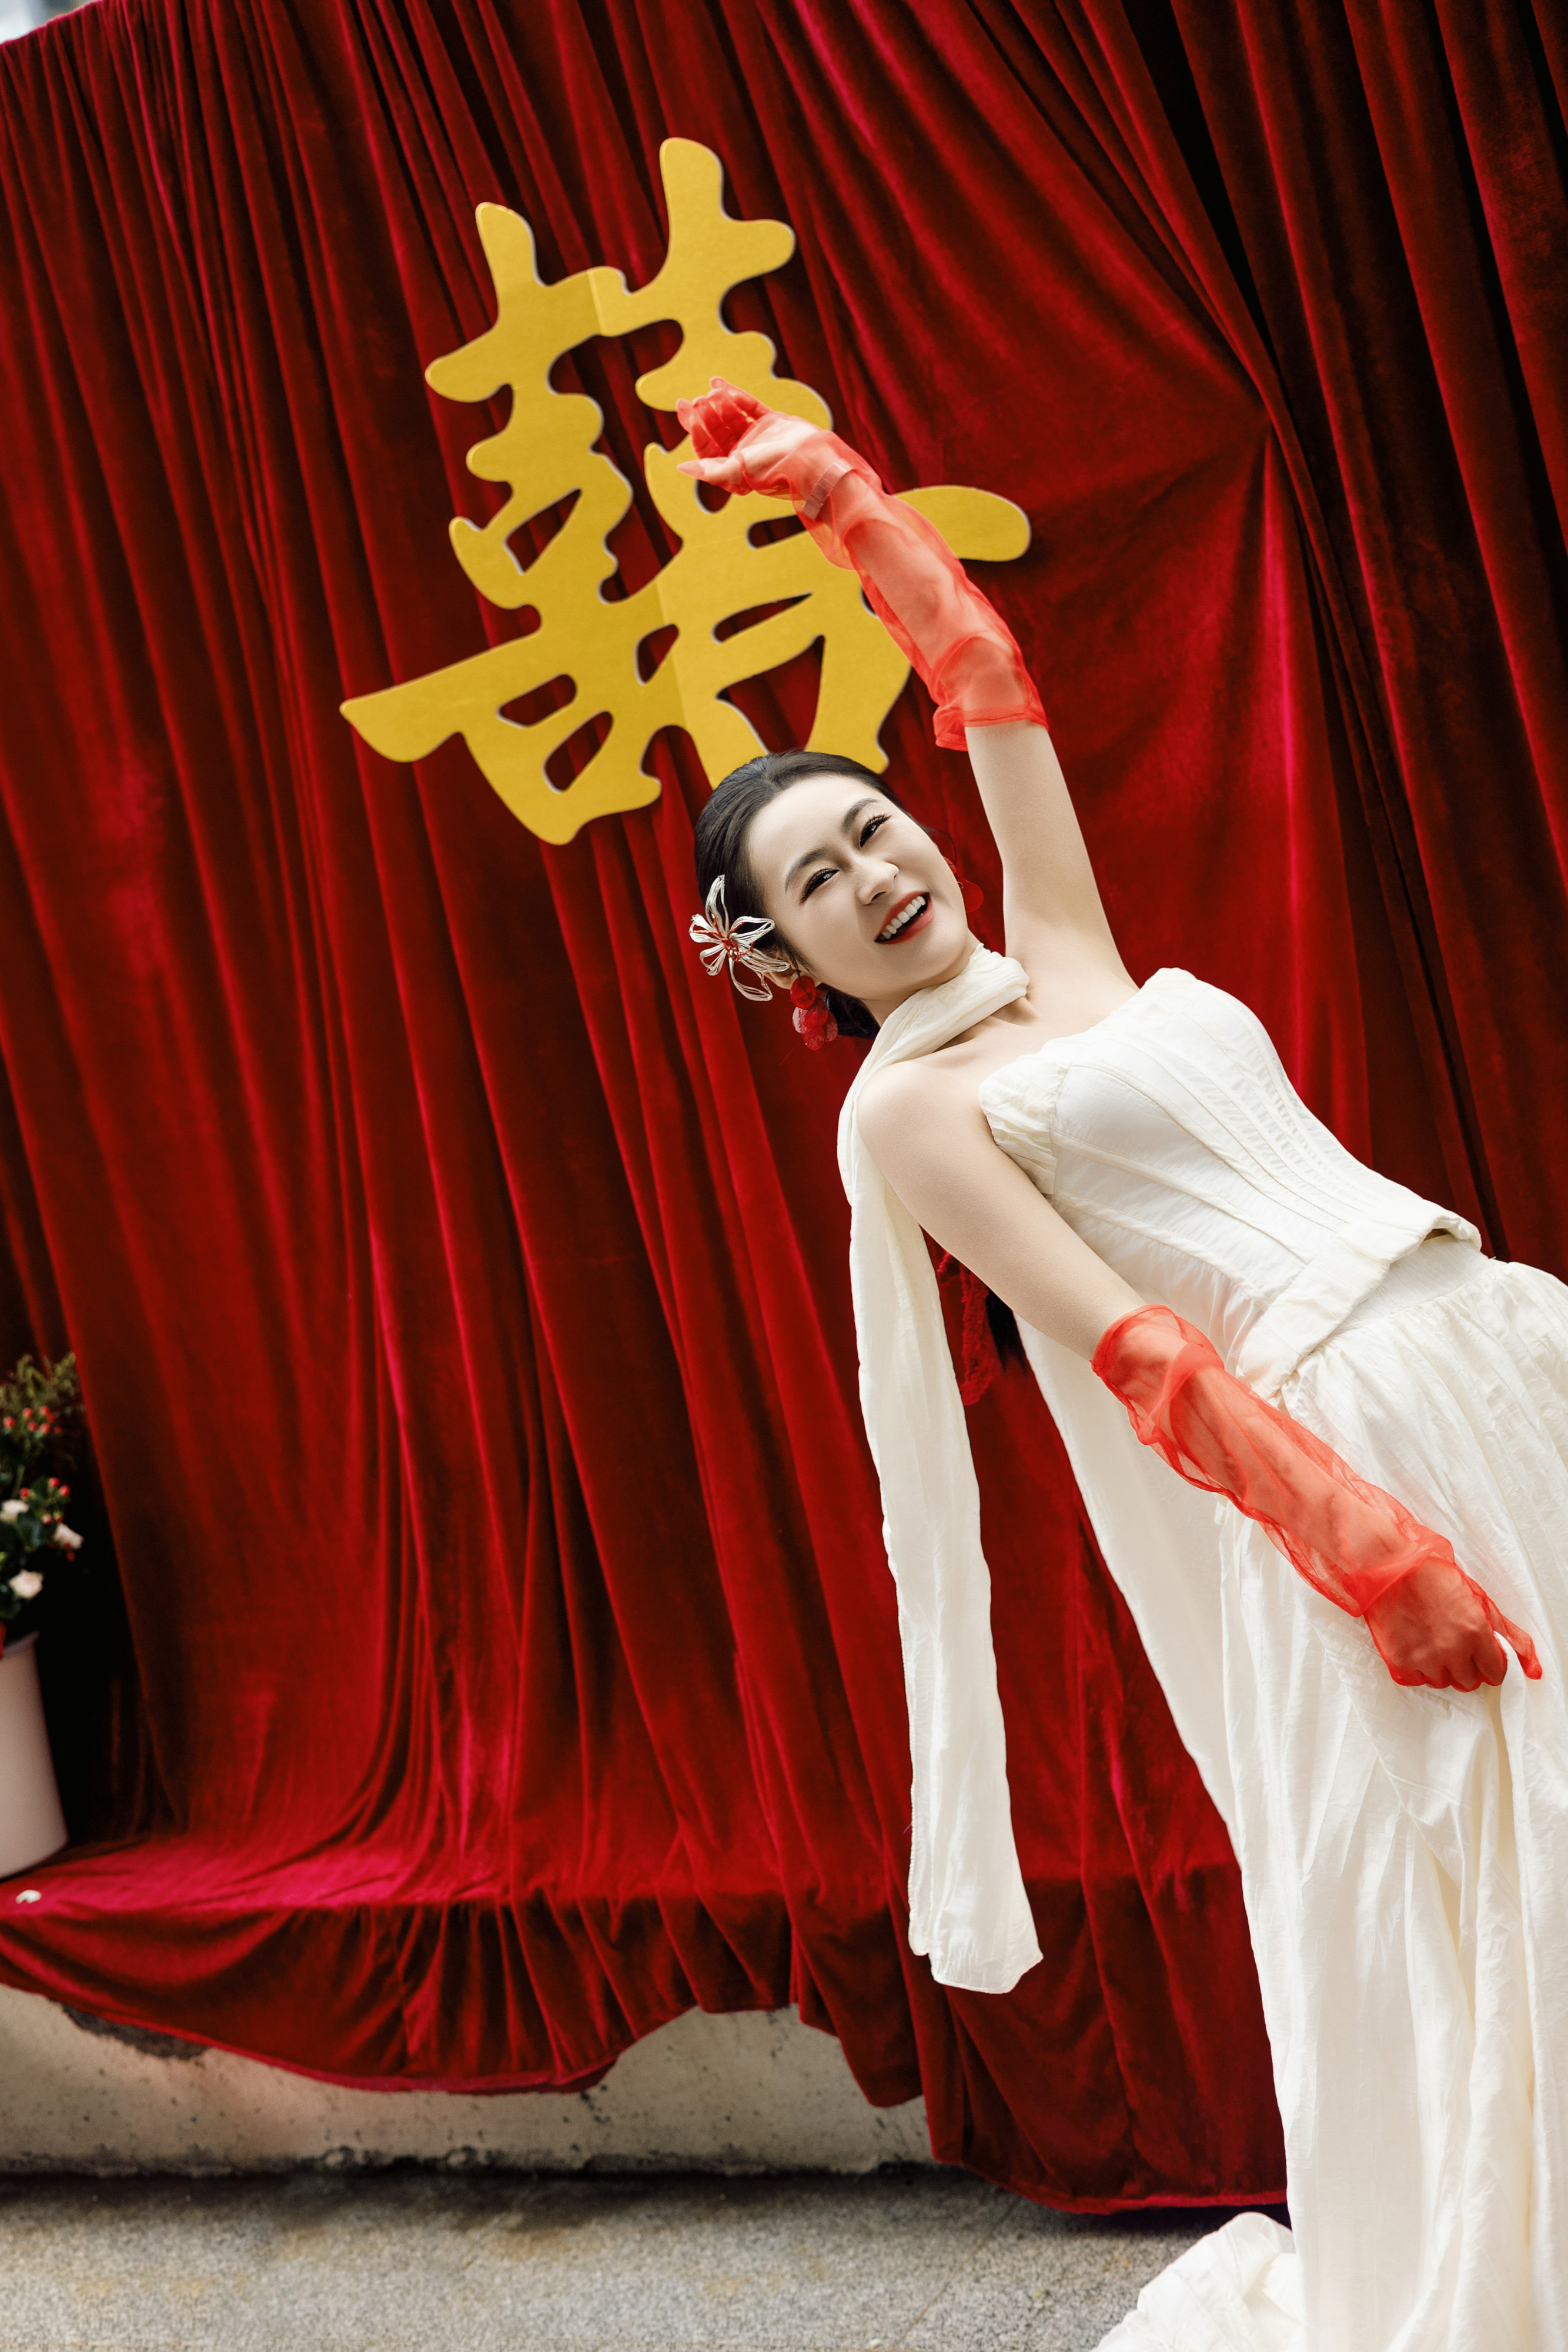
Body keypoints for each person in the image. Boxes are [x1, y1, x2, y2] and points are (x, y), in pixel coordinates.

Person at [677, 379, 1567, 2352]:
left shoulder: (1059, 954)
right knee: (1507, 1862)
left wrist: (838, 492)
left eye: (872, 828)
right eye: (818, 883)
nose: (877, 875)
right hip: (1350, 1455)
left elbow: (987, 683)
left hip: (1494, 1353)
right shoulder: (909, 1114)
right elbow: (1139, 1355)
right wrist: (1372, 1555)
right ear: (786, 963)